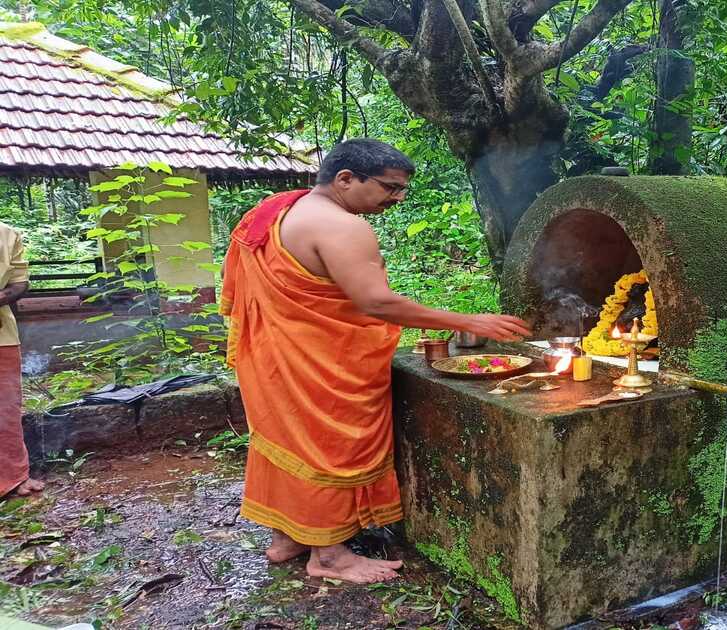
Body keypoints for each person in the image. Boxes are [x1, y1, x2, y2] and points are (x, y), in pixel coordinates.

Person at [221, 139, 530, 583]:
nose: (397, 198)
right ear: (345, 179)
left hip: (274, 355)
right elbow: (376, 302)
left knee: (288, 439)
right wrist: (468, 320)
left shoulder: (277, 211)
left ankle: (289, 536)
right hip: (320, 362)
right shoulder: (343, 227)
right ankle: (328, 556)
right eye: (390, 187)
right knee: (327, 446)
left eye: (401, 189)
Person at [0, 221, 40, 499]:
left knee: (6, 408)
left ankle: (12, 477)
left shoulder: (7, 233)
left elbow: (19, 282)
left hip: (2, 335)